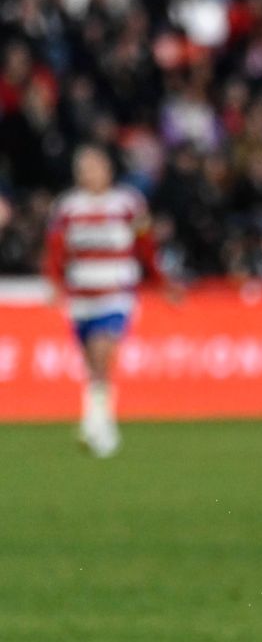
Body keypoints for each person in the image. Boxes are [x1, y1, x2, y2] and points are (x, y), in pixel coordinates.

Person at [42, 145, 169, 457]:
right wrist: (56, 283)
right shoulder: (68, 206)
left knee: (101, 355)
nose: (88, 174)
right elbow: (56, 249)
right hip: (82, 296)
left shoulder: (127, 204)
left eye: (93, 167)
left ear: (107, 170)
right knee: (92, 366)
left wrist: (160, 280)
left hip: (115, 295)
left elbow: (145, 243)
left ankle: (91, 422)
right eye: (83, 169)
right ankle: (105, 428)